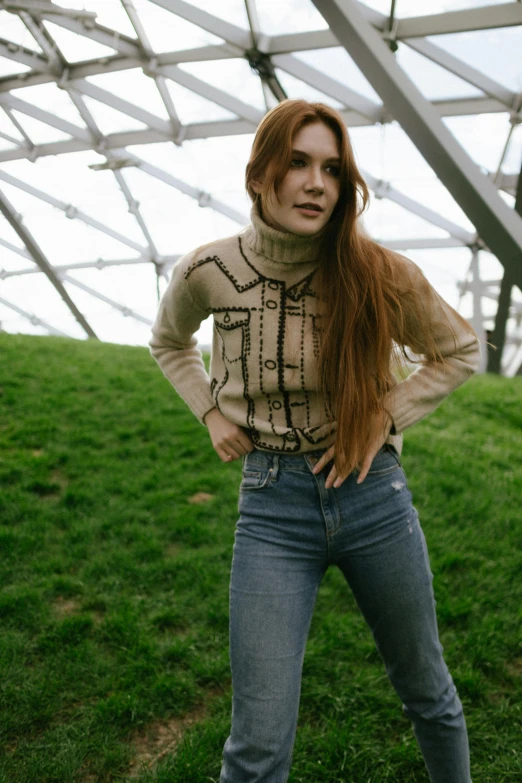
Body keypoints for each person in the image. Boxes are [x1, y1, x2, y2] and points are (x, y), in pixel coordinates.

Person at [149, 99, 480, 783]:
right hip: (271, 508)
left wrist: (383, 417)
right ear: (260, 172)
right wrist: (211, 412)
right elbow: (168, 342)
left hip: (373, 498)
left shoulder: (376, 270)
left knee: (429, 693)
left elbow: (460, 349)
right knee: (258, 745)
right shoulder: (205, 269)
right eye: (297, 162)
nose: (316, 183)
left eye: (332, 168)